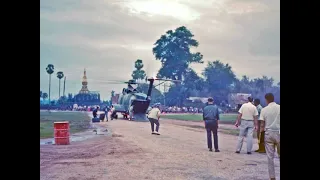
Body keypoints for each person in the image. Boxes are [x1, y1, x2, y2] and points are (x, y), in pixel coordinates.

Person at [259, 93, 280, 180]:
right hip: (278, 132)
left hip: (268, 133)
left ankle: (272, 177)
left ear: (266, 100)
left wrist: (261, 137)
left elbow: (262, 125)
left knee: (270, 157)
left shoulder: (264, 110)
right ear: (273, 98)